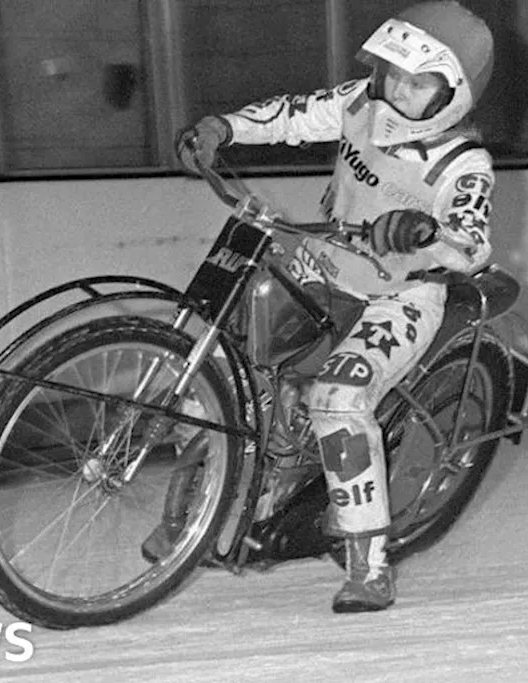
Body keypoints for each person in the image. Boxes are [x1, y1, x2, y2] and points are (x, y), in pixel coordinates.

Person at [176, 1, 496, 613]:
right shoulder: (362, 104)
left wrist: (424, 233)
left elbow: (473, 244)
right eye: (392, 69)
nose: (399, 88)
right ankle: (203, 504)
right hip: (325, 263)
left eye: (421, 80)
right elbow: (294, 115)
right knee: (230, 353)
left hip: (400, 296)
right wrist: (226, 127)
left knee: (338, 399)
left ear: (456, 91)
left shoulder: (464, 163)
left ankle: (369, 564)